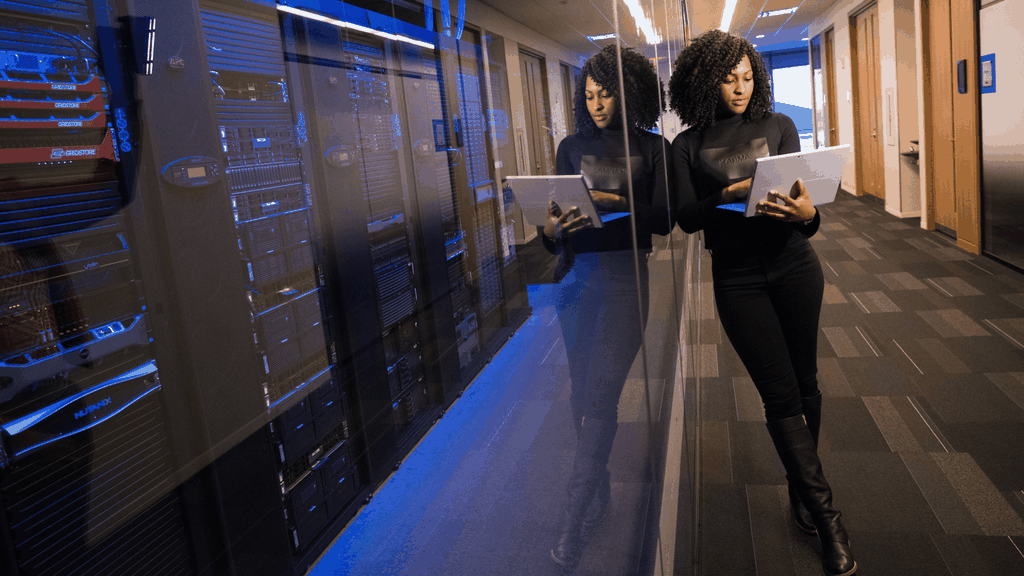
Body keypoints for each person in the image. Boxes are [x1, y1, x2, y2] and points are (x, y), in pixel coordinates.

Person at [667, 30, 856, 576]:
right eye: (729, 78)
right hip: (738, 278)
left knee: (806, 384)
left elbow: (804, 208)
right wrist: (724, 196)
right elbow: (685, 217)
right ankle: (827, 519)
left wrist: (810, 217)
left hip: (795, 265)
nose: (741, 87)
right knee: (779, 397)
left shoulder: (779, 126)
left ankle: (802, 489)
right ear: (706, 80)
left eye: (748, 77)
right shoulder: (687, 145)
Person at [541, 44, 671, 569]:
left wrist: (615, 204)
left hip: (625, 282)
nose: (596, 104)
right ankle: (599, 492)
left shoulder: (652, 148)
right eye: (589, 95)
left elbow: (664, 221)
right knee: (582, 397)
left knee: (600, 393)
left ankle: (573, 519)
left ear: (629, 90)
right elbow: (552, 234)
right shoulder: (570, 147)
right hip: (575, 282)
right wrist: (551, 230)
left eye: (606, 93)